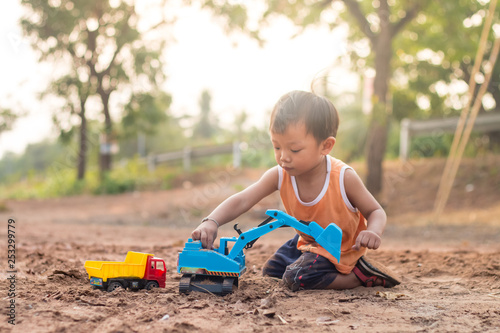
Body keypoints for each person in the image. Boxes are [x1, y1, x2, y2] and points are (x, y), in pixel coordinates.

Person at [191, 90, 400, 290]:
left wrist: (372, 231)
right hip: (307, 242)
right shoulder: (280, 174)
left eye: (294, 149)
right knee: (272, 272)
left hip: (340, 249)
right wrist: (212, 220)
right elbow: (244, 199)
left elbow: (375, 211)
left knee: (297, 277)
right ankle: (322, 271)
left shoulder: (343, 177)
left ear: (326, 146)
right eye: (277, 147)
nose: (284, 157)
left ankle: (360, 276)